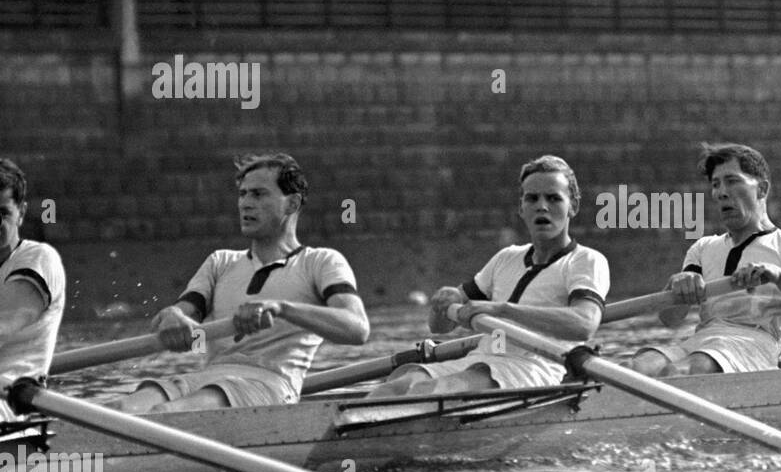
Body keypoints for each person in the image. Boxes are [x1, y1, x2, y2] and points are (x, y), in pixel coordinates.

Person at [118, 153, 369, 413]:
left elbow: (357, 329)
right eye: (243, 194)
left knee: (165, 415)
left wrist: (281, 308)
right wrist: (172, 317)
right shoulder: (220, 262)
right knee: (121, 409)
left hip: (268, 386)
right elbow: (181, 314)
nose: (245, 204)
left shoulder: (321, 262)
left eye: (258, 195)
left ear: (292, 204)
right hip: (207, 378)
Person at [367, 155, 608, 395]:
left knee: (427, 391)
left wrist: (502, 309)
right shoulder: (506, 258)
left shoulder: (586, 260)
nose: (542, 206)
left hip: (535, 370)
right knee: (401, 385)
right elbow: (438, 327)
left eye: (554, 198)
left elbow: (584, 324)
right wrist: (443, 303)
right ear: (521, 208)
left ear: (573, 206)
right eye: (532, 198)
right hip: (483, 359)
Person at [630, 143, 781, 376]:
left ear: (761, 189)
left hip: (754, 345)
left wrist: (780, 277)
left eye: (732, 181)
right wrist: (677, 284)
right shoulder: (702, 248)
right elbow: (670, 319)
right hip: (700, 341)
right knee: (630, 370)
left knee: (680, 372)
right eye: (716, 184)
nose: (720, 192)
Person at [0, 159, 66, 421]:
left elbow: (5, 322)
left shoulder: (39, 258)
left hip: (11, 407)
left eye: (2, 213)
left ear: (22, 213)